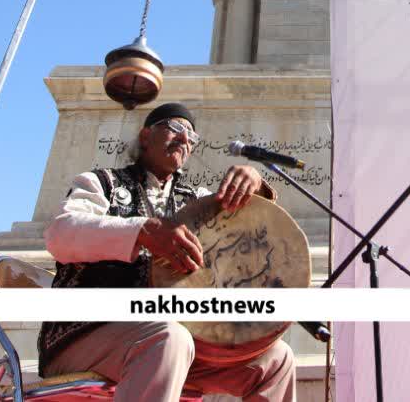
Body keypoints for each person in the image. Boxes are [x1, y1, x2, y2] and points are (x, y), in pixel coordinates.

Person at [37, 101, 296, 402]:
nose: (185, 139)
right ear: (145, 136)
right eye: (175, 128)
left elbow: (245, 231)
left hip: (175, 342)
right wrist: (141, 231)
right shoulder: (102, 184)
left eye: (192, 137)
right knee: (169, 337)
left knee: (277, 360)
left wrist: (254, 185)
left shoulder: (195, 202)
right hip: (84, 335)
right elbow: (60, 234)